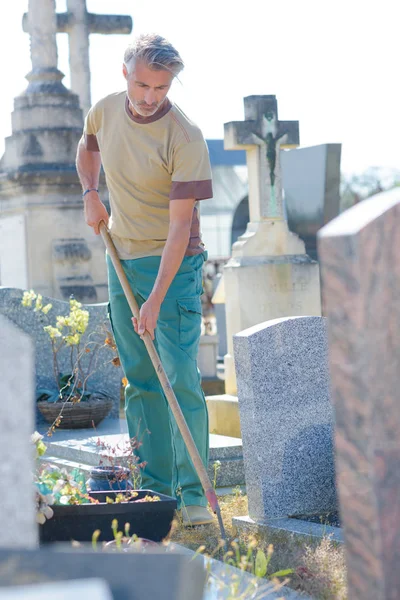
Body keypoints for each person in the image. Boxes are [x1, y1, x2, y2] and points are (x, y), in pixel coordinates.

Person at [75, 34, 214, 526]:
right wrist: (91, 191)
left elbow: (180, 229)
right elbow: (87, 146)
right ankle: (154, 489)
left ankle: (194, 494)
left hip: (172, 267)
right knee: (139, 379)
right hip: (122, 258)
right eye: (142, 83)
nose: (150, 95)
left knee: (178, 376)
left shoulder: (185, 136)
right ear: (125, 73)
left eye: (161, 86)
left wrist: (155, 299)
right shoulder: (106, 110)